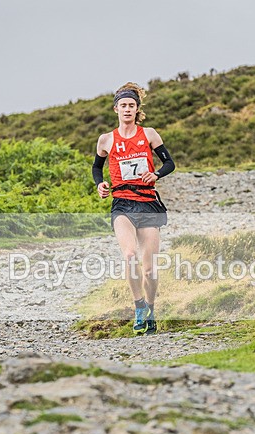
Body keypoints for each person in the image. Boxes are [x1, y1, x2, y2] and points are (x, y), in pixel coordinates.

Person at [92, 82, 175, 335]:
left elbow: (169, 162)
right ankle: (138, 306)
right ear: (116, 109)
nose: (127, 109)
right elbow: (97, 168)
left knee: (149, 268)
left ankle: (151, 307)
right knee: (129, 256)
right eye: (123, 105)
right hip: (122, 204)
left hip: (148, 203)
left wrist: (156, 174)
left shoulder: (149, 134)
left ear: (137, 109)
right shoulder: (106, 140)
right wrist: (101, 184)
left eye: (132, 105)